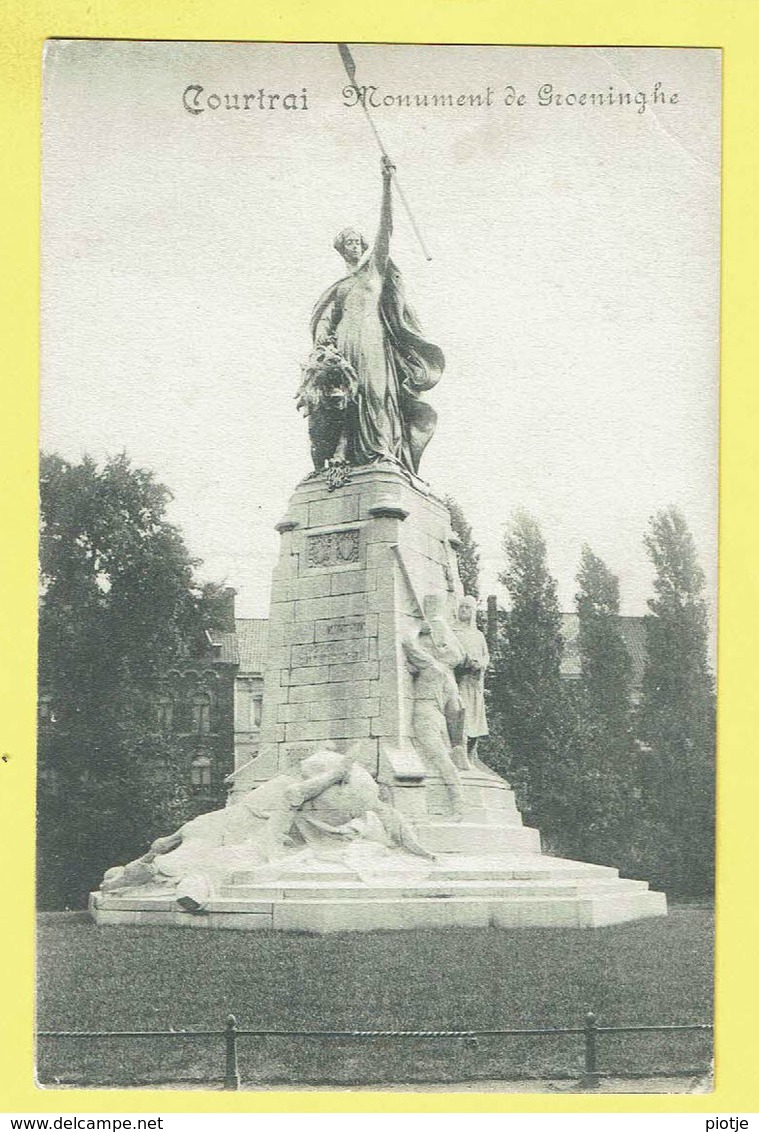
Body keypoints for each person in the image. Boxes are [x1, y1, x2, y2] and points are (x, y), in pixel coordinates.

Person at [300, 155, 444, 476]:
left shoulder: (374, 271)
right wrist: (324, 334)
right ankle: (344, 456)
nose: (353, 245)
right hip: (346, 341)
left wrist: (386, 184)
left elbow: (386, 229)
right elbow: (327, 318)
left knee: (376, 392)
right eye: (347, 243)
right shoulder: (341, 287)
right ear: (341, 250)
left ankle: (381, 451)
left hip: (373, 337)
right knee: (347, 397)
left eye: (356, 241)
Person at [453, 596, 491, 761]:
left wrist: (480, 663)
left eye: (467, 607)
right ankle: (459, 749)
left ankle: (471, 753)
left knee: (476, 717)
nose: (463, 610)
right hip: (460, 679)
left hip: (475, 682)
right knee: (461, 714)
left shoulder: (478, 635)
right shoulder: (453, 632)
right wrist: (465, 661)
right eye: (461, 607)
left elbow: (486, 655)